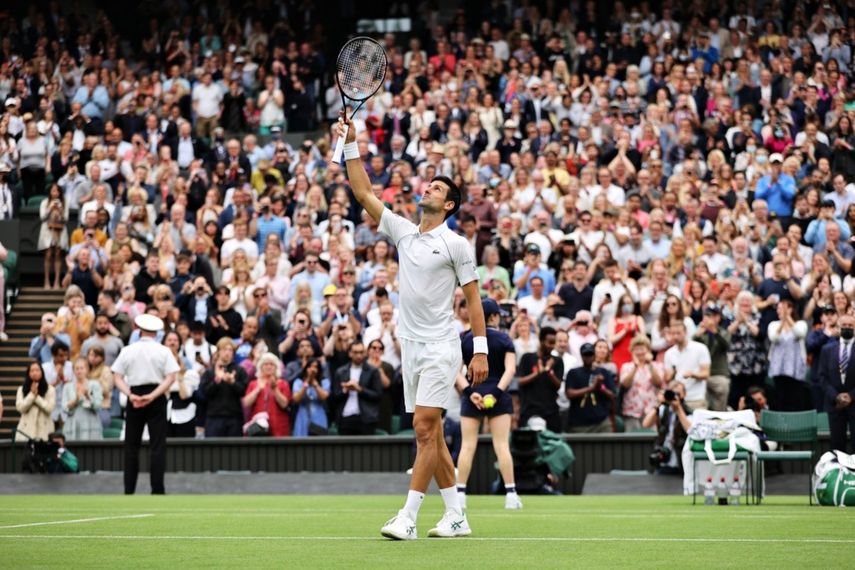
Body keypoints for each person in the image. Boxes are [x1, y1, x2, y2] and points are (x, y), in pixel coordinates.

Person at [338, 114, 487, 540]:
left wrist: (479, 350)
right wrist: (352, 143)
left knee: (423, 428)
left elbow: (473, 299)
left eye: (438, 188)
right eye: (429, 185)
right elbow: (364, 192)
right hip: (411, 347)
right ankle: (456, 515)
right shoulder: (404, 232)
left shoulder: (456, 244)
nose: (428, 189)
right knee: (433, 434)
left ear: (450, 205)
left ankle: (408, 516)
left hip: (442, 346)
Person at [456, 298, 521, 510]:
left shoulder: (464, 339)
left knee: (467, 446)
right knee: (502, 445)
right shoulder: (503, 339)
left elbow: (455, 372)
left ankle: (460, 495)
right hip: (497, 396)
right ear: (493, 316)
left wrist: (470, 392)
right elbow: (510, 370)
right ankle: (511, 495)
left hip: (472, 395)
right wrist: (494, 394)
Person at [111, 314, 180, 494]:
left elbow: (117, 377)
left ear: (139, 329)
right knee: (157, 446)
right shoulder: (163, 351)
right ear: (156, 332)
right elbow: (171, 377)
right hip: (155, 397)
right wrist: (153, 396)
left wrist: (131, 395)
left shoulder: (128, 350)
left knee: (131, 446)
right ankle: (157, 489)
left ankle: (129, 489)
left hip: (135, 395)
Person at [817, 312, 855, 453]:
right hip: (834, 404)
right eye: (844, 325)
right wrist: (836, 396)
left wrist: (851, 396)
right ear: (838, 327)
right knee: (837, 446)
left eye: (850, 325)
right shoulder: (827, 350)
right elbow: (822, 377)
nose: (847, 328)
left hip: (854, 403)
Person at [517, 326, 564, 432]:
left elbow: (558, 385)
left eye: (554, 343)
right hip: (530, 410)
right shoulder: (527, 358)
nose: (552, 346)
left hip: (551, 411)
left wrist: (550, 373)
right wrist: (537, 373)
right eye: (549, 342)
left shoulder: (557, 361)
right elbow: (520, 381)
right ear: (541, 341)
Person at [330, 341, 383, 435]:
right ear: (350, 353)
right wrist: (345, 390)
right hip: (345, 417)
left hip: (366, 418)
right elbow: (334, 397)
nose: (359, 355)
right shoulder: (340, 372)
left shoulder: (373, 371)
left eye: (361, 352)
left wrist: (359, 389)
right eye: (355, 352)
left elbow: (378, 395)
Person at [200, 337, 249, 437]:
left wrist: (233, 382)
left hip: (234, 417)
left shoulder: (240, 371)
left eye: (230, 350)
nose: (227, 352)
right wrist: (217, 380)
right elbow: (204, 393)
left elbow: (243, 391)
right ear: (218, 351)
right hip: (214, 417)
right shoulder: (209, 372)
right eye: (224, 349)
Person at [565, 343, 617, 433]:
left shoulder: (603, 372)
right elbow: (569, 393)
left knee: (608, 445)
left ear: (594, 355)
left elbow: (612, 395)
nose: (588, 357)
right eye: (586, 355)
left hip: (602, 423)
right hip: (579, 424)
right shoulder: (573, 373)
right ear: (581, 356)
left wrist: (601, 387)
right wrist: (591, 388)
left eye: (590, 354)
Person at [663, 320, 711, 411]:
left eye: (678, 333)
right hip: (676, 398)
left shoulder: (700, 348)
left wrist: (693, 374)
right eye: (673, 333)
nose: (676, 336)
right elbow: (667, 379)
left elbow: (706, 373)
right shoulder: (669, 353)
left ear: (685, 332)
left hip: (695, 398)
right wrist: (671, 374)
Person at [619, 335, 664, 432]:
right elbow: (625, 384)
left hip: (650, 411)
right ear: (632, 351)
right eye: (636, 349)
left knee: (651, 441)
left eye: (642, 349)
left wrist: (650, 364)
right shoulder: (626, 367)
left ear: (648, 350)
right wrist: (635, 367)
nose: (640, 352)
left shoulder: (657, 365)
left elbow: (659, 382)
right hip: (631, 412)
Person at [243, 353, 292, 437]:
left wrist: (275, 389)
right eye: (266, 364)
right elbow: (246, 403)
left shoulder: (283, 384)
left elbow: (284, 404)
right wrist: (257, 389)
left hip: (279, 425)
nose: (269, 367)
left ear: (276, 368)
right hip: (258, 427)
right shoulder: (253, 384)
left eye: (272, 364)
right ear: (261, 367)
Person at [61, 358, 103, 441]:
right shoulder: (67, 387)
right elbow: (64, 407)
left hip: (91, 423)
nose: (79, 371)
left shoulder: (94, 384)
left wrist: (87, 396)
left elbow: (98, 406)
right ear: (73, 371)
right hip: (73, 424)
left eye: (82, 368)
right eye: (76, 369)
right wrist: (76, 399)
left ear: (87, 370)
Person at [15, 361, 56, 442]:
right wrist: (31, 395)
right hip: (26, 430)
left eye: (37, 370)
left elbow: (49, 409)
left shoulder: (50, 389)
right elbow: (20, 408)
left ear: (42, 372)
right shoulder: (21, 389)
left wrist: (36, 397)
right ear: (28, 373)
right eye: (32, 370)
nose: (35, 373)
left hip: (45, 430)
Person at [291, 358, 331, 436]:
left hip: (319, 416)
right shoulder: (298, 382)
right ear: (306, 368)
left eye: (315, 367)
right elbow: (296, 399)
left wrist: (315, 384)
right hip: (302, 416)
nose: (313, 369)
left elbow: (324, 397)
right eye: (310, 367)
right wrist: (306, 383)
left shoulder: (324, 382)